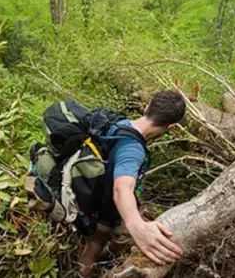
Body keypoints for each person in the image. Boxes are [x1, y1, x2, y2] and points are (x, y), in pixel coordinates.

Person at [78, 90, 186, 277]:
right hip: (106, 211)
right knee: (96, 244)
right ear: (171, 126)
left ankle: (85, 269)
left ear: (147, 106)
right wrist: (137, 226)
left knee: (93, 245)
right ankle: (94, 268)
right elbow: (122, 188)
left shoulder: (118, 124)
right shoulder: (132, 149)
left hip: (89, 194)